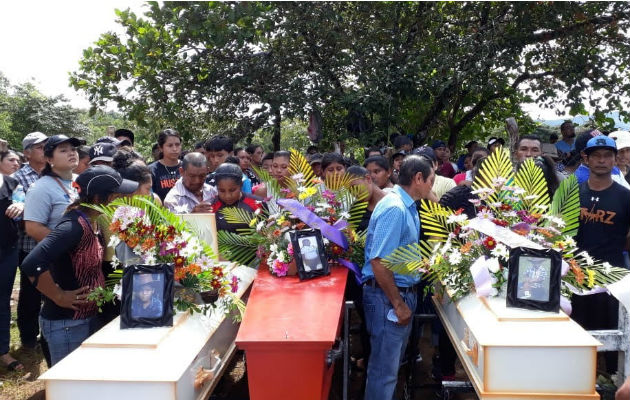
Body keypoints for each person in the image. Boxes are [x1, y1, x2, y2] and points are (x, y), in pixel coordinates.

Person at [21, 166, 138, 366]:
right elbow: (32, 263)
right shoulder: (72, 226)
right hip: (66, 323)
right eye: (117, 197)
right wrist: (59, 295)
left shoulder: (93, 222)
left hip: (87, 318)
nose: (122, 203)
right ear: (98, 199)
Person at [362, 155, 434, 400]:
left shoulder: (407, 205)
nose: (432, 187)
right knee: (384, 371)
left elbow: (397, 254)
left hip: (398, 295)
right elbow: (379, 262)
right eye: (431, 181)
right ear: (418, 178)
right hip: (388, 299)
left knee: (390, 368)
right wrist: (398, 304)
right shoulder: (395, 208)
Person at [572, 135, 630, 373]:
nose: (602, 160)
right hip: (576, 278)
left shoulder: (625, 196)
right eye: (596, 155)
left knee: (613, 340)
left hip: (612, 279)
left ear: (616, 159)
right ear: (586, 158)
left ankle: (610, 387)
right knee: (579, 338)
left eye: (607, 155)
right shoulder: (574, 194)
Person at [0, 173, 23, 371]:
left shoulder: (11, 183)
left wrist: (21, 206)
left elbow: (22, 202)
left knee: (2, 300)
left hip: (7, 249)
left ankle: (3, 351)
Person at [211, 163, 261, 233]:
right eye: (222, 191)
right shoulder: (211, 206)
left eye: (232, 190)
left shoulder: (258, 203)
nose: (227, 196)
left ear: (241, 185)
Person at [148, 129, 182, 202]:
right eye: (170, 145)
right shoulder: (151, 170)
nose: (175, 149)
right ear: (160, 148)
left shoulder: (187, 167)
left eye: (177, 145)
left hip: (188, 213)